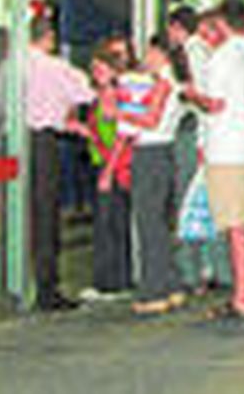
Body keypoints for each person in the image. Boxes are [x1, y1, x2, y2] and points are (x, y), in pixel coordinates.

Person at [198, 3, 244, 319]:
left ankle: (240, 297)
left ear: (220, 24)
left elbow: (215, 103)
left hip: (226, 149)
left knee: (235, 227)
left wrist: (189, 94)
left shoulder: (222, 56)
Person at [15, 18, 96, 310]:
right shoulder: (55, 67)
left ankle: (15, 279)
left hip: (13, 140)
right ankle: (45, 286)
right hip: (42, 142)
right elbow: (86, 93)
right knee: (45, 212)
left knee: (17, 211)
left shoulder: (9, 65)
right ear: (48, 38)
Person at [117, 34, 187, 314]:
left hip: (150, 153)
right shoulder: (176, 81)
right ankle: (171, 284)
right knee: (157, 222)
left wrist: (120, 113)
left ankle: (154, 290)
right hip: (163, 153)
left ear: (161, 54)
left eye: (150, 51)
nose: (145, 57)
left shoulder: (162, 82)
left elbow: (151, 119)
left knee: (149, 225)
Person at [165, 5, 230, 294]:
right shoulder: (208, 53)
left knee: (190, 205)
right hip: (212, 138)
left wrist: (186, 95)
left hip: (196, 135)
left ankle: (192, 272)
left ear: (178, 27)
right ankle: (213, 267)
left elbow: (205, 99)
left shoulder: (193, 52)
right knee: (207, 205)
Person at [81, 45, 133, 302]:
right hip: (103, 161)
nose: (96, 72)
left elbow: (121, 136)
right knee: (110, 221)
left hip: (112, 165)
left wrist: (108, 171)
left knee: (109, 223)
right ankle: (113, 279)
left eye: (101, 68)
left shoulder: (112, 94)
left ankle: (111, 282)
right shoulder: (98, 95)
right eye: (94, 68)